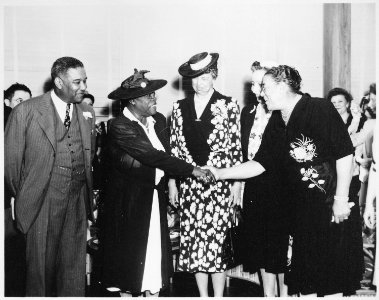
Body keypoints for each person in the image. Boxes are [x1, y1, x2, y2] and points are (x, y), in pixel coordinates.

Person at [205, 65, 363, 296]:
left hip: (330, 208)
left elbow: (344, 154)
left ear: (282, 85)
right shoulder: (278, 120)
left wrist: (340, 199)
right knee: (306, 284)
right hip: (303, 213)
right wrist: (220, 173)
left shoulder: (319, 108)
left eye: (265, 87)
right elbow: (260, 163)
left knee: (331, 285)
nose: (261, 94)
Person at [100, 69, 214, 297]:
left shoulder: (158, 120)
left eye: (154, 95)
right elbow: (153, 156)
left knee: (153, 260)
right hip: (129, 204)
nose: (155, 99)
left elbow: (170, 153)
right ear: (132, 101)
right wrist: (194, 170)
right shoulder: (119, 126)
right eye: (149, 97)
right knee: (131, 266)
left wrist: (174, 179)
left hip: (153, 199)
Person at [4, 56, 96, 296]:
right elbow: (11, 165)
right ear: (58, 81)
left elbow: (89, 157)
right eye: (77, 82)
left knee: (74, 270)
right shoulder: (26, 111)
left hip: (77, 201)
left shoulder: (87, 112)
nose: (84, 87)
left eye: (85, 80)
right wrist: (26, 195)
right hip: (41, 201)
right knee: (39, 272)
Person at [169, 52, 243, 297]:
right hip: (190, 185)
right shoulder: (178, 108)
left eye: (203, 78)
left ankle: (219, 296)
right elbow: (174, 150)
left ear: (214, 76)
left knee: (216, 243)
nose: (198, 83)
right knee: (194, 245)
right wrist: (172, 183)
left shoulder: (229, 104)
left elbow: (235, 148)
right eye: (194, 78)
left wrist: (236, 184)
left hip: (219, 185)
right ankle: (202, 295)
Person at [239, 60, 289, 297]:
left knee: (279, 246)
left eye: (260, 84)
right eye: (253, 84)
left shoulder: (283, 113)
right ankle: (268, 294)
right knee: (259, 244)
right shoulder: (247, 112)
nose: (255, 89)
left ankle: (285, 293)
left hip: (280, 187)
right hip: (254, 186)